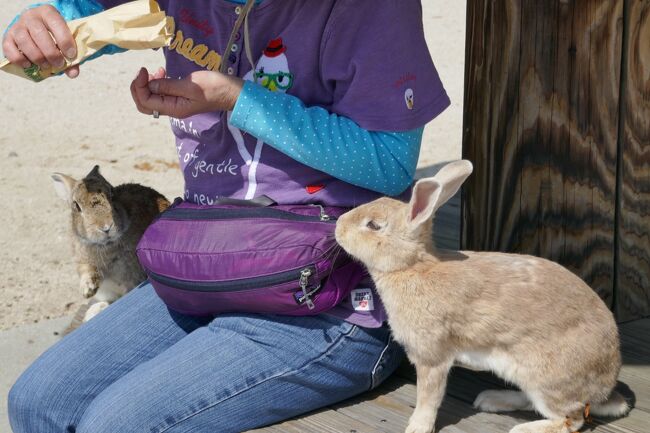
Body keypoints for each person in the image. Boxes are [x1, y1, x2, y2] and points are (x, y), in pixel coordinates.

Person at [4, 0, 450, 431]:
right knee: (38, 403)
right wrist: (33, 29)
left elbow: (390, 164)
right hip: (208, 260)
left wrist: (239, 100)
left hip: (330, 294)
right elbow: (75, 18)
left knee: (113, 424)